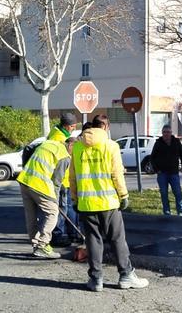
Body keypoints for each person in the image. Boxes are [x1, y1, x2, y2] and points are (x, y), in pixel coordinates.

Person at [69, 115, 149, 292]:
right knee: (117, 239)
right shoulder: (111, 146)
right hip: (109, 203)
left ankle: (96, 279)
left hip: (86, 204)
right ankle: (126, 275)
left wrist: (74, 199)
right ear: (105, 127)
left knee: (93, 241)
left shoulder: (77, 147)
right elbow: (117, 174)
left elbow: (72, 178)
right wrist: (124, 195)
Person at [16, 136, 71, 259]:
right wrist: (55, 201)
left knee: (31, 216)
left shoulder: (49, 143)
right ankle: (42, 244)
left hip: (24, 180)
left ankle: (36, 246)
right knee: (52, 212)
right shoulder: (64, 156)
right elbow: (56, 182)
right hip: (39, 184)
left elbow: (28, 149)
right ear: (71, 146)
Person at [50, 113, 81, 246]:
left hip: (65, 178)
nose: (74, 129)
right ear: (67, 126)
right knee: (63, 208)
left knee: (68, 207)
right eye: (73, 126)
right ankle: (58, 235)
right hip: (63, 179)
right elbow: (63, 160)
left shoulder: (57, 132)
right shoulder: (60, 138)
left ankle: (71, 233)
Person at [150, 124, 182, 216]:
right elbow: (152, 158)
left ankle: (180, 212)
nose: (166, 134)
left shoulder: (176, 142)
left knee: (178, 193)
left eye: (168, 132)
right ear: (162, 133)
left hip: (174, 172)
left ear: (171, 133)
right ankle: (167, 212)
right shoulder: (158, 143)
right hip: (162, 173)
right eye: (164, 132)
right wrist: (156, 169)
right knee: (164, 194)